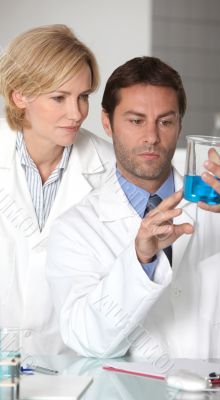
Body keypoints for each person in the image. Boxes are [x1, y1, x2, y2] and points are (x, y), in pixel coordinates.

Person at [47, 56, 220, 362]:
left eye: (165, 121)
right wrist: (141, 259)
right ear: (107, 123)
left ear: (180, 125)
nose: (152, 136)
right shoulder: (75, 228)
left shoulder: (217, 202)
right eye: (136, 121)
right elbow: (89, 339)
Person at [0, 24, 114, 355]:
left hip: (74, 365)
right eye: (59, 98)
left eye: (83, 97)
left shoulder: (109, 169)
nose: (76, 113)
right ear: (19, 95)